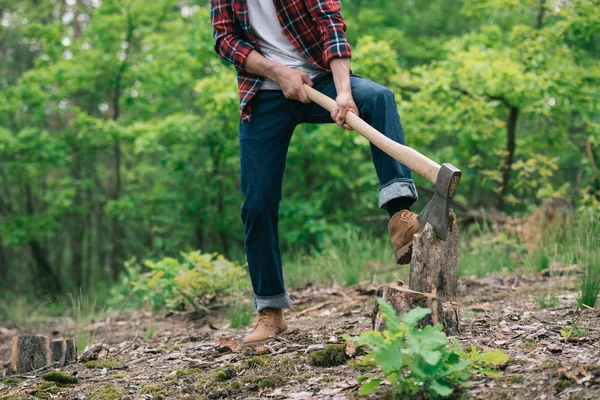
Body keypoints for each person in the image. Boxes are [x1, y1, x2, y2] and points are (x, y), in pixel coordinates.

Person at [210, 0, 420, 344]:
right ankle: (271, 311)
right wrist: (279, 73)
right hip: (263, 94)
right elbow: (225, 40)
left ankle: (400, 216)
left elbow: (331, 23)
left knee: (378, 98)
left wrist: (343, 91)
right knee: (256, 204)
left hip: (321, 80)